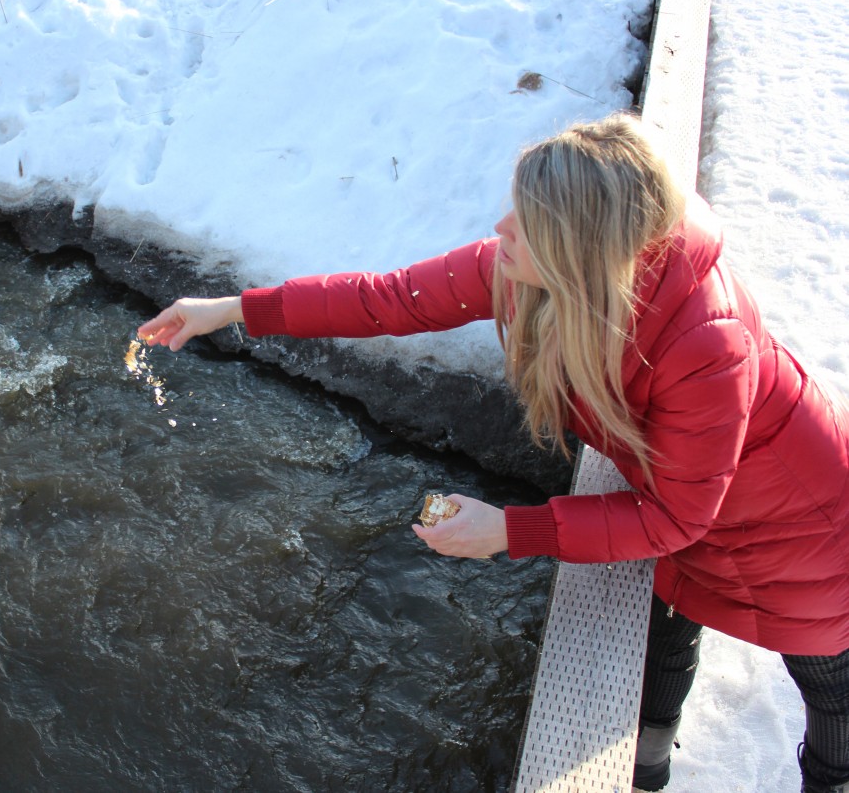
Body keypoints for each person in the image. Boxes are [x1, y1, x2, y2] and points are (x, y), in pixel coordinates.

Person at [136, 114, 849, 793]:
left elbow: (677, 517)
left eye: (527, 222)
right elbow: (391, 299)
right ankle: (644, 775)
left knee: (829, 682)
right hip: (684, 500)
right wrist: (233, 308)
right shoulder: (531, 269)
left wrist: (513, 529)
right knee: (658, 653)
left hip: (799, 522)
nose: (501, 229)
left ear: (580, 251)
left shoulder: (704, 342)